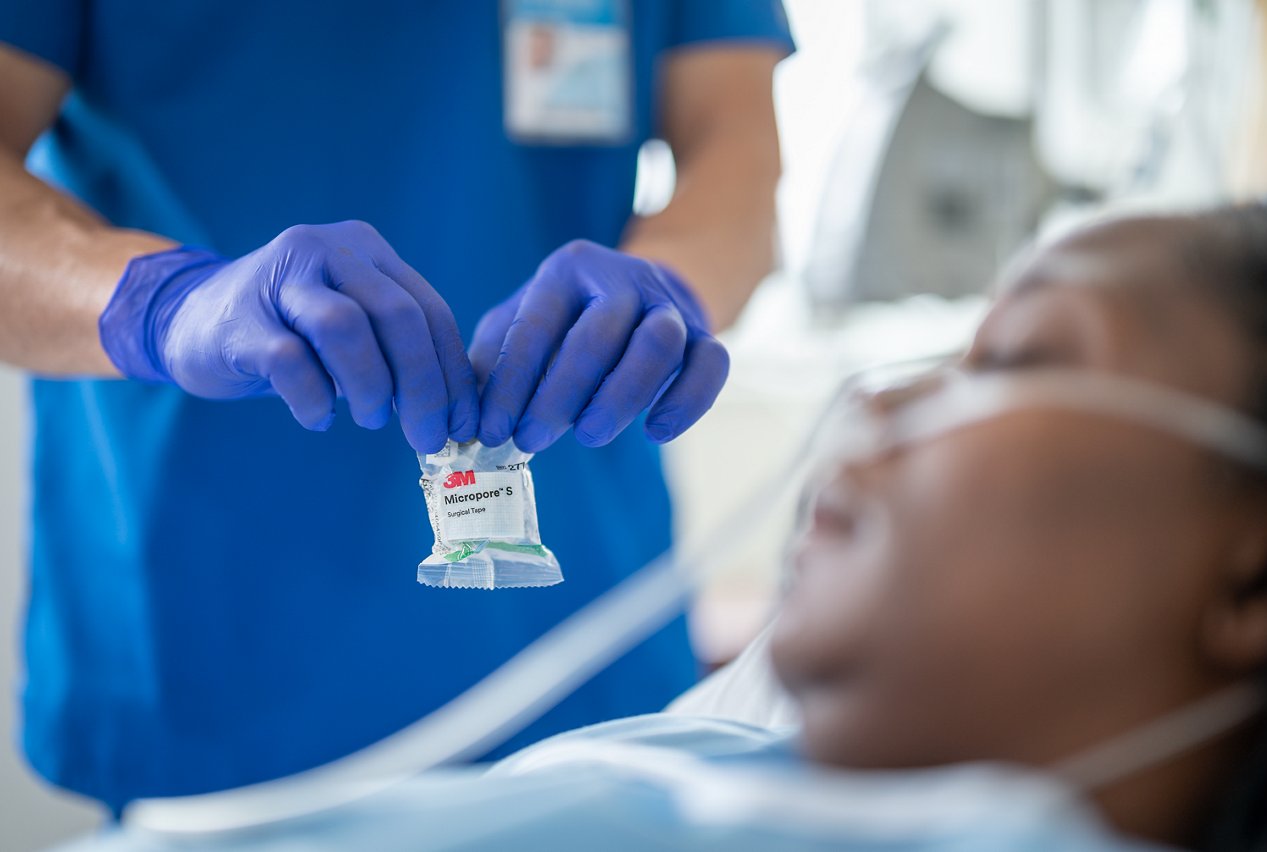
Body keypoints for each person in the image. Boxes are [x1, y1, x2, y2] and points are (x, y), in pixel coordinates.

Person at [66, 198, 1267, 851]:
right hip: (191, 594)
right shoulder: (698, 770)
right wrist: (155, 303)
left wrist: (679, 280)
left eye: (1013, 359)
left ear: (1255, 572)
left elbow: (732, 167)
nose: (876, 395)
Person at [0, 3, 793, 813]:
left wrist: (672, 285)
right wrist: (161, 305)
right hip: (206, 651)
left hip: (588, 654)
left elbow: (736, 150)